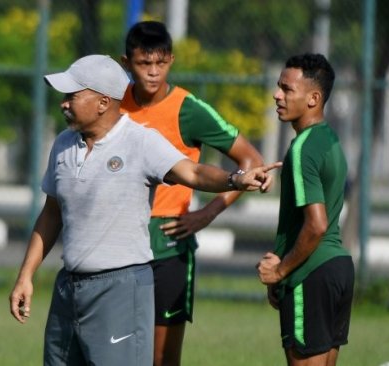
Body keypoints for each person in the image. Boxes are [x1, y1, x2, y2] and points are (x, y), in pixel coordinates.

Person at [8, 54, 280, 366]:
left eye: (73, 95)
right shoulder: (63, 145)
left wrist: (234, 179)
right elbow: (51, 213)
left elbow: (192, 173)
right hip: (68, 288)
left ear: (102, 102)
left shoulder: (140, 141)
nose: (63, 103)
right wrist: (25, 275)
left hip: (120, 290)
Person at [120, 21, 265, 366]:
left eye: (161, 63)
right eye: (143, 64)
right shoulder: (111, 105)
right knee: (117, 349)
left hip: (169, 241)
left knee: (161, 357)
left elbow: (251, 160)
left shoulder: (188, 108)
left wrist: (207, 213)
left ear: (170, 59)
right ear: (127, 63)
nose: (153, 73)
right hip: (120, 239)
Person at [256, 53, 354, 366]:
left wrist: (281, 271)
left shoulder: (302, 149)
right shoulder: (328, 139)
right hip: (338, 269)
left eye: (287, 89)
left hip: (310, 275)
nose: (277, 95)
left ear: (313, 98)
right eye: (278, 87)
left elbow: (316, 225)